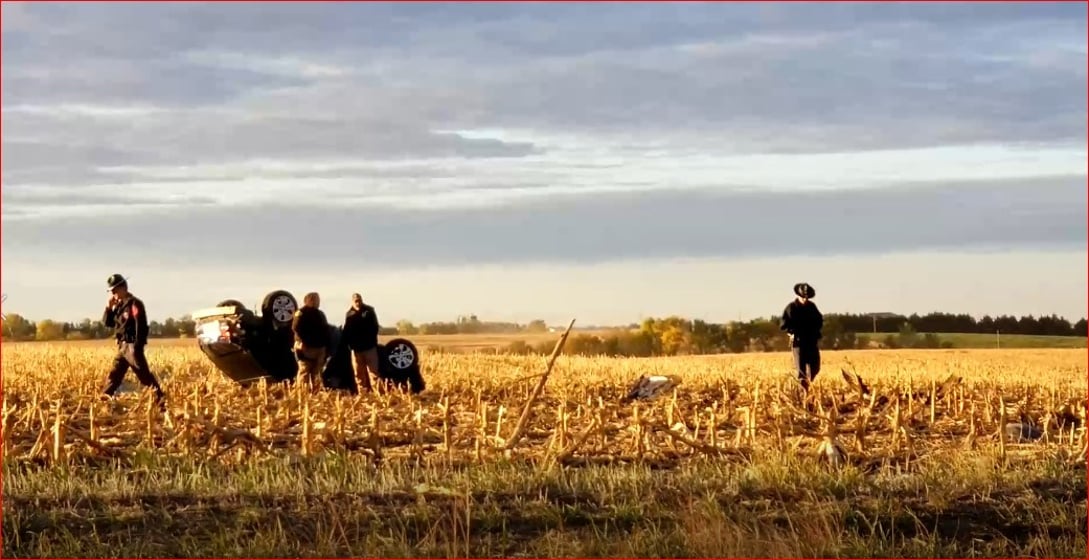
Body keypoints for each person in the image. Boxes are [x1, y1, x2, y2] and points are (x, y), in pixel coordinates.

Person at [101, 274, 166, 404]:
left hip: (131, 346)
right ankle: (104, 399)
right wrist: (109, 308)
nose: (113, 294)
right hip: (122, 347)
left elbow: (140, 325)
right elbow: (107, 323)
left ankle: (161, 401)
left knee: (144, 377)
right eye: (111, 291)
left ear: (123, 288)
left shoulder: (134, 304)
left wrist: (136, 347)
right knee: (115, 374)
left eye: (115, 290)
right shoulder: (119, 306)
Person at [780, 282, 823, 390]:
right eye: (803, 297)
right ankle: (803, 393)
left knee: (815, 368)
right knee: (801, 372)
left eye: (807, 297)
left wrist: (816, 332)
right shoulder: (791, 308)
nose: (805, 299)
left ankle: (809, 385)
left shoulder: (812, 307)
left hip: (811, 342)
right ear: (798, 295)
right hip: (798, 343)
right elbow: (783, 324)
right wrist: (791, 331)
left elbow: (819, 320)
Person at [291, 292, 331, 391]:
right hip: (306, 348)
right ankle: (302, 393)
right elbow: (295, 327)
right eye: (317, 299)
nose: (319, 302)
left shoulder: (320, 314)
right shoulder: (301, 313)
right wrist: (302, 341)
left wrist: (326, 345)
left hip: (319, 348)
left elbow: (325, 329)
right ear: (311, 300)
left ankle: (316, 394)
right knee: (304, 371)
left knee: (317, 373)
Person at [342, 293, 380, 393]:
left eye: (359, 300)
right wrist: (348, 344)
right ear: (352, 302)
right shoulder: (349, 314)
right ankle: (363, 394)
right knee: (359, 374)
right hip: (356, 349)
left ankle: (377, 393)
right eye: (356, 301)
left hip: (369, 347)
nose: (358, 302)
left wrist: (371, 339)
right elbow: (347, 331)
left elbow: (375, 327)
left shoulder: (369, 311)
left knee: (373, 373)